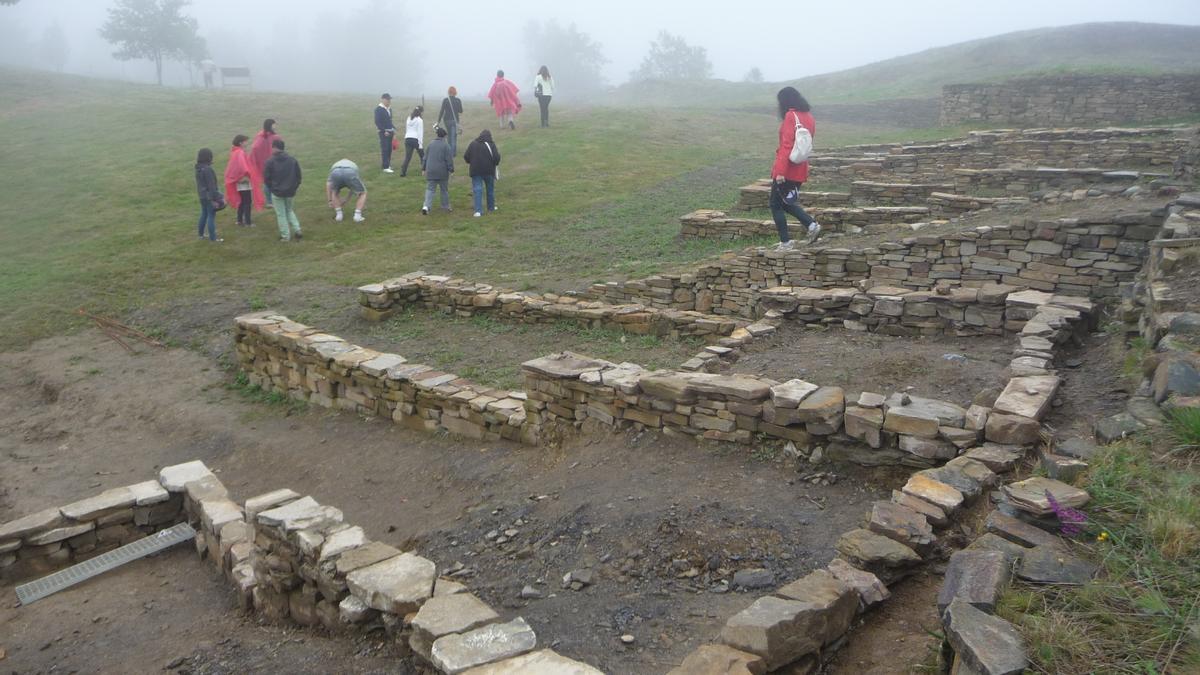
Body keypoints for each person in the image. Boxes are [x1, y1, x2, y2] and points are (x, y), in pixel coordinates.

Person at [770, 86, 821, 250]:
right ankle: (811, 225)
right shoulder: (809, 116)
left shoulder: (790, 116)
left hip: (788, 169)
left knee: (775, 204)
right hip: (800, 167)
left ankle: (785, 242)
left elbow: (786, 146)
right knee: (785, 202)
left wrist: (780, 172)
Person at [262, 139, 303, 242]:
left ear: (275, 147)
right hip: (290, 192)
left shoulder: (270, 162)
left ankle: (285, 236)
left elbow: (266, 179)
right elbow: (299, 176)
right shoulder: (292, 160)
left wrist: (272, 189)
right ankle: (297, 229)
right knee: (289, 210)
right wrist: (294, 187)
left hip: (277, 192)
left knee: (281, 214)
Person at [224, 134, 263, 227]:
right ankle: (248, 222)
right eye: (245, 141)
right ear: (241, 142)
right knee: (247, 201)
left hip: (239, 181)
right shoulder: (240, 152)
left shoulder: (235, 152)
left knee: (241, 201)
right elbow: (243, 167)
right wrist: (248, 175)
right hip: (244, 181)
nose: (247, 143)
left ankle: (239, 220)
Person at [463, 129, 500, 217]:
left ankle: (478, 211)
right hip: (489, 170)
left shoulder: (473, 144)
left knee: (478, 190)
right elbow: (497, 158)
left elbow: (466, 157)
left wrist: (471, 161)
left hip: (476, 171)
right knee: (490, 189)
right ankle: (491, 207)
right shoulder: (491, 144)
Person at [422, 126, 454, 215]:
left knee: (430, 189)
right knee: (444, 189)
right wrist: (451, 170)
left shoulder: (430, 144)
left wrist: (423, 168)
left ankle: (426, 206)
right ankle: (445, 206)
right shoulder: (446, 145)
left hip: (430, 170)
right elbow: (449, 159)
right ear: (444, 136)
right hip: (442, 172)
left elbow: (425, 157)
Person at [194, 148, 222, 242]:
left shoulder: (198, 168)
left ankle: (201, 235)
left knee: (204, 214)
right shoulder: (208, 169)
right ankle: (213, 238)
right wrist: (216, 198)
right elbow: (212, 186)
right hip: (209, 197)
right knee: (211, 215)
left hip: (202, 196)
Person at [249, 119, 280, 205]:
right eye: (274, 124)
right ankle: (271, 200)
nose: (275, 126)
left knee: (267, 181)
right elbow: (255, 148)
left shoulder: (261, 135)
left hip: (265, 163)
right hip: (272, 162)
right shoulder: (272, 137)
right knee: (271, 181)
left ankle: (269, 201)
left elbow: (254, 148)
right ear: (270, 125)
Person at [327, 158, 367, 223]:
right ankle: (357, 215)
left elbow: (329, 184)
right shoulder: (353, 165)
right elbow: (353, 188)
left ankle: (339, 215)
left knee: (334, 192)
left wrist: (330, 200)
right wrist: (347, 199)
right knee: (363, 193)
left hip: (335, 172)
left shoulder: (334, 166)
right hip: (350, 172)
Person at [437, 86, 464, 156]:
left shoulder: (445, 100)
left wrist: (438, 121)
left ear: (449, 92)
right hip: (454, 121)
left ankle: (449, 152)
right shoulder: (458, 100)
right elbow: (461, 111)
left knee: (449, 136)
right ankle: (452, 154)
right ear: (455, 92)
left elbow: (442, 111)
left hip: (446, 120)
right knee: (453, 137)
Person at [400, 106, 425, 177]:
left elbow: (407, 129)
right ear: (421, 112)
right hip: (415, 139)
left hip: (407, 138)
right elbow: (420, 132)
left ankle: (403, 172)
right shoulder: (420, 120)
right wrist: (420, 144)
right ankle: (424, 170)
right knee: (422, 156)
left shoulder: (409, 118)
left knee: (408, 157)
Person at [375, 93, 396, 173]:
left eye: (389, 99)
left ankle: (387, 164)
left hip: (390, 131)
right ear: (383, 99)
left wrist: (393, 129)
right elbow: (377, 122)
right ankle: (385, 167)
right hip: (383, 132)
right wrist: (384, 130)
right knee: (385, 149)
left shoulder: (389, 109)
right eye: (387, 99)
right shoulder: (378, 109)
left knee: (389, 149)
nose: (389, 101)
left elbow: (389, 121)